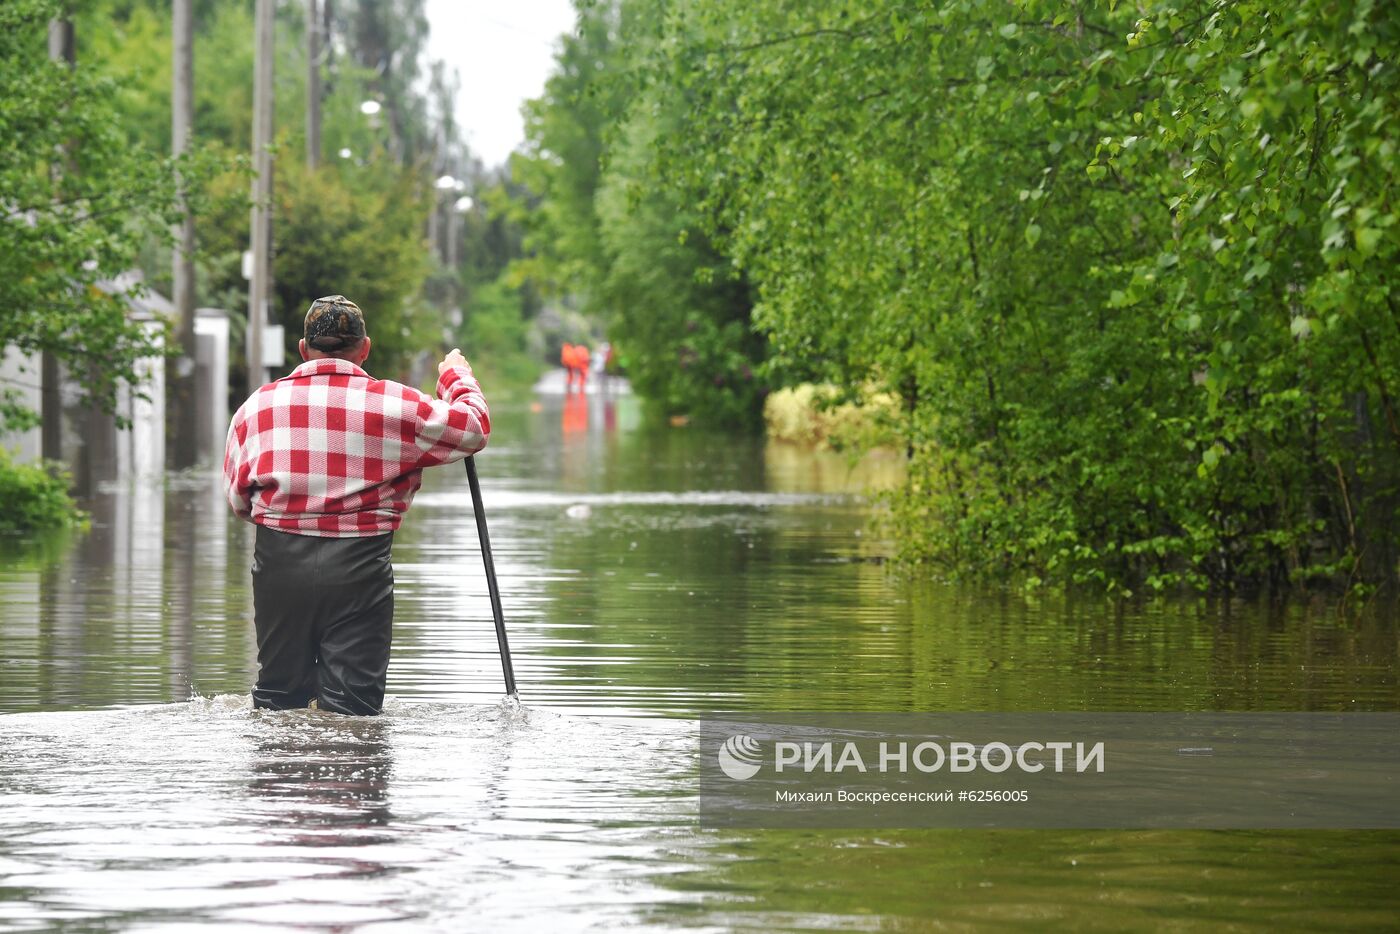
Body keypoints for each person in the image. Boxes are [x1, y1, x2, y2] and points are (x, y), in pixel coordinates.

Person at [223, 295, 490, 716]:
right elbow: (473, 429)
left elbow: (238, 501)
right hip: (359, 569)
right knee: (352, 709)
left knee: (277, 701)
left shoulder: (255, 408)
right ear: (365, 349)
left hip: (278, 566)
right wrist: (456, 379)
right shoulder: (397, 405)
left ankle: (275, 777)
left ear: (302, 349)